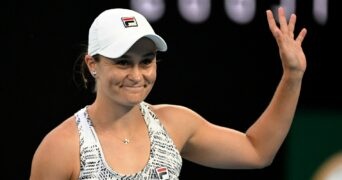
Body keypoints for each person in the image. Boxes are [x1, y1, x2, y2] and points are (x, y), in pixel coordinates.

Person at [29, 6, 307, 180]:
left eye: (146, 61)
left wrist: (292, 76)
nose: (137, 75)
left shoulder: (174, 124)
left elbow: (257, 151)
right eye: (123, 62)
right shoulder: (61, 148)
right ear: (93, 64)